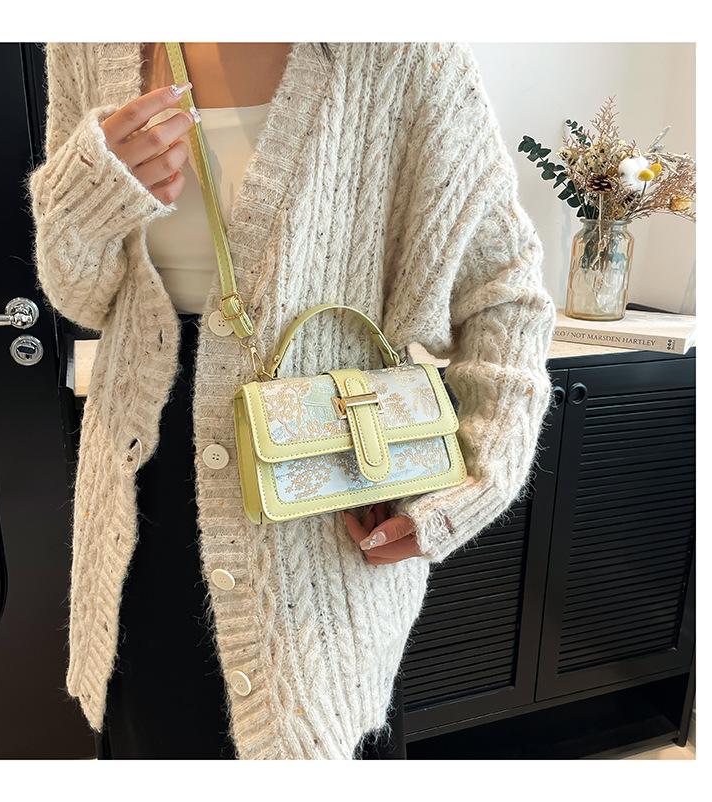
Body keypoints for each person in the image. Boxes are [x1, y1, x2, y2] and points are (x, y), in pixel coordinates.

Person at [28, 42, 555, 759]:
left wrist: (475, 480)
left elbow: (505, 296)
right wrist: (86, 201)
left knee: (312, 731)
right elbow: (84, 298)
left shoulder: (401, 52)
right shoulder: (90, 42)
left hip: (325, 503)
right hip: (138, 504)